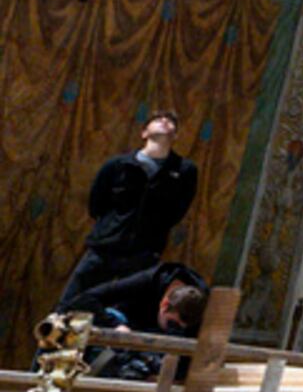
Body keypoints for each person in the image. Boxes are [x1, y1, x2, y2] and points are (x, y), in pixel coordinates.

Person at [55, 111, 199, 312]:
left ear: (175, 137)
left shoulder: (184, 171)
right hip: (105, 249)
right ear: (144, 132)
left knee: (123, 310)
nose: (165, 122)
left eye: (171, 122)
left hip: (143, 254)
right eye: (157, 119)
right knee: (72, 303)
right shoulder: (118, 165)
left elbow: (177, 211)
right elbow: (97, 203)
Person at [61, 259, 207, 381]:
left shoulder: (199, 307)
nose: (175, 328)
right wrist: (115, 325)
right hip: (127, 328)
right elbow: (84, 299)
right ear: (164, 304)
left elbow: (188, 365)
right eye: (172, 324)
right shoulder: (149, 280)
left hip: (154, 352)